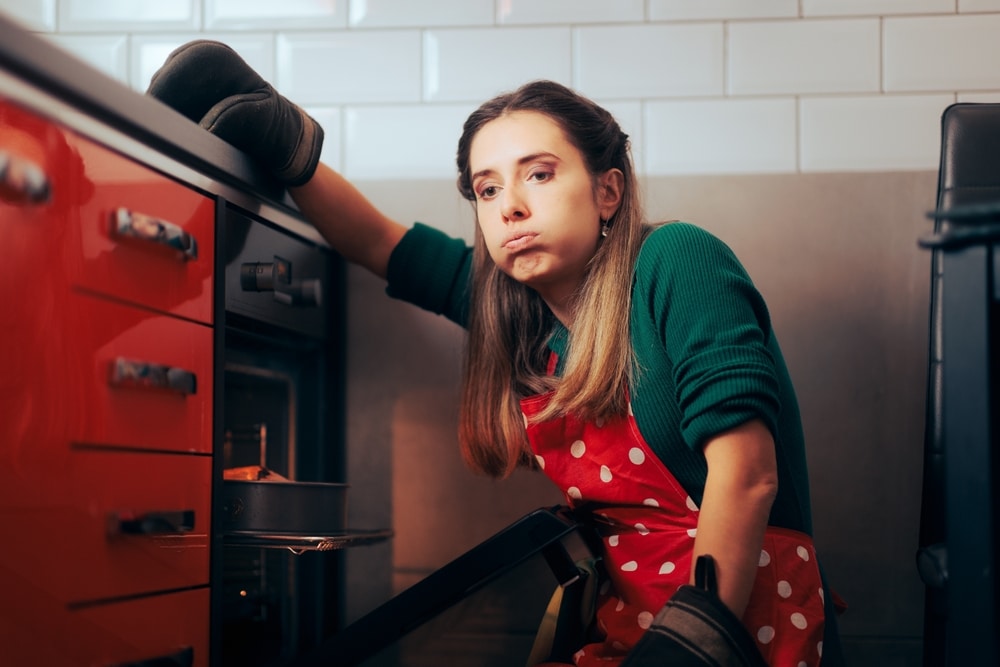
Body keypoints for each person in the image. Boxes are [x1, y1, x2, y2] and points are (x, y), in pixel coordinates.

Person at [148, 41, 845, 666]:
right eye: (486, 188)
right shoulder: (514, 315)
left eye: (538, 175)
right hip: (633, 626)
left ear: (608, 190)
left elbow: (747, 475)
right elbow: (379, 244)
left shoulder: (677, 260)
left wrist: (691, 640)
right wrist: (288, 146)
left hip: (736, 631)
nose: (508, 206)